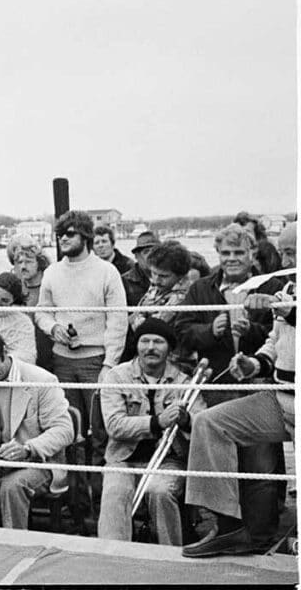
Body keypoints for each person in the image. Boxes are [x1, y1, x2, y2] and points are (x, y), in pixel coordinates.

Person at [177, 222, 293, 557]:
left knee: (261, 467)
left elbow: (279, 328)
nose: (231, 259)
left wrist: (255, 330)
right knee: (212, 432)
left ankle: (262, 536)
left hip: (263, 387)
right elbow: (183, 333)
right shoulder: (202, 288)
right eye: (225, 253)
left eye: (238, 252)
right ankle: (228, 528)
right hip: (224, 380)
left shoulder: (274, 285)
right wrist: (212, 332)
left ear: (252, 253)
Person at [0, 332, 74, 530]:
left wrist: (28, 448)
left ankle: (16, 544)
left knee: (12, 486)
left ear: (5, 353)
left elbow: (64, 429)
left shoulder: (42, 380)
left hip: (37, 463)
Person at [97, 319, 203, 546]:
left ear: (170, 349)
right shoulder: (116, 376)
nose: (150, 347)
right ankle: (111, 559)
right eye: (144, 341)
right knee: (115, 493)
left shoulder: (184, 381)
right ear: (136, 345)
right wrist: (157, 422)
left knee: (160, 491)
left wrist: (186, 421)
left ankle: (169, 559)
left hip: (169, 461)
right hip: (123, 459)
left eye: (158, 341)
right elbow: (114, 425)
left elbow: (203, 426)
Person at [35, 210, 127, 428]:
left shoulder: (107, 271)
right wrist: (53, 327)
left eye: (69, 234)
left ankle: (101, 462)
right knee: (68, 423)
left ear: (85, 236)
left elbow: (118, 321)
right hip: (61, 360)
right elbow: (42, 312)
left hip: (96, 360)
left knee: (100, 425)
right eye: (59, 235)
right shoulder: (51, 272)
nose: (63, 239)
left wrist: (109, 364)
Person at [121, 240, 194, 365]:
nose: (156, 279)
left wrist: (136, 318)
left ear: (180, 276)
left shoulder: (184, 298)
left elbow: (148, 328)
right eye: (153, 273)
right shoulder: (157, 286)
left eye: (163, 276)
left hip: (174, 362)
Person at [7, 233, 54, 370]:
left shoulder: (50, 285)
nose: (23, 266)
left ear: (39, 263)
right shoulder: (14, 289)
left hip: (49, 352)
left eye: (28, 261)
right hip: (22, 353)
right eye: (19, 262)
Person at [233, 211, 281, 275]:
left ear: (257, 234)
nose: (243, 234)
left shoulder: (266, 249)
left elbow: (275, 274)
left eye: (247, 231)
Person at [122, 231, 160, 307]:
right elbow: (120, 315)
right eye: (146, 252)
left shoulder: (172, 277)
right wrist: (141, 310)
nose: (151, 255)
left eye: (155, 251)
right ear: (136, 256)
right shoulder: (125, 281)